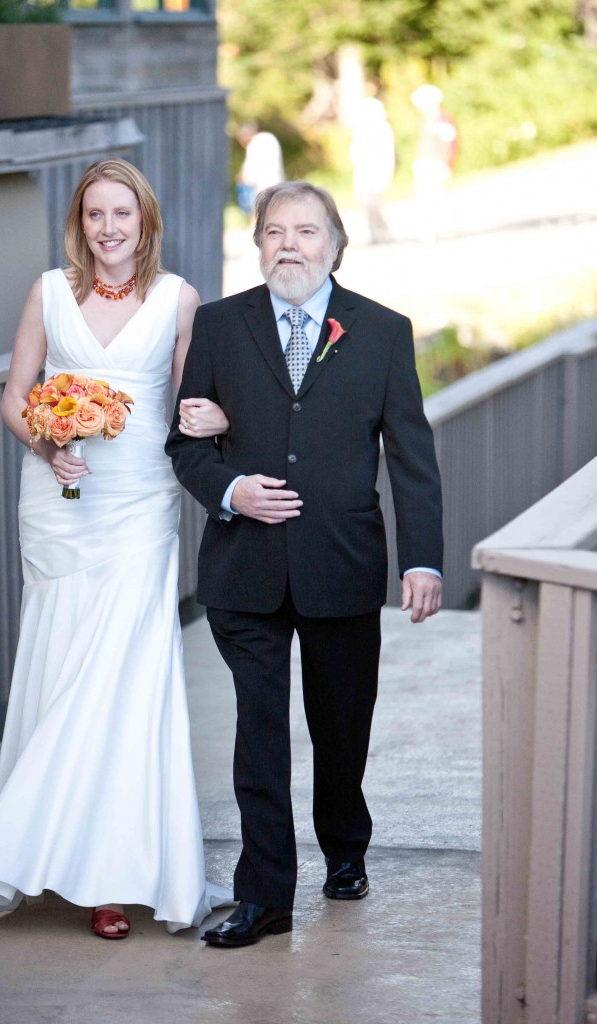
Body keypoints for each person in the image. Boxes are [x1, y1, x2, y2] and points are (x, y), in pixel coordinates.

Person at [0, 158, 234, 938]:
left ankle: (110, 874)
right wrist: (48, 445)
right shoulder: (48, 292)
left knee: (124, 677)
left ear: (145, 220)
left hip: (140, 505)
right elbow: (15, 399)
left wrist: (217, 423)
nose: (108, 229)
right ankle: (44, 846)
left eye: (123, 214)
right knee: (63, 662)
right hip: (57, 504)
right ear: (79, 223)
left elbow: (189, 408)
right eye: (94, 215)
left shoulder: (180, 301)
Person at [166, 180, 443, 949]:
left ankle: (345, 844)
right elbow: (185, 441)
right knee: (259, 734)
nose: (289, 243)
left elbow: (411, 457)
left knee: (341, 725)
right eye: (273, 231)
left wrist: (423, 560)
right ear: (256, 244)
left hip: (343, 562)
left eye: (306, 231)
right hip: (244, 571)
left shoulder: (384, 332)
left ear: (335, 246)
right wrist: (230, 490)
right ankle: (265, 898)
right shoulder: (219, 327)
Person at [411, 83, 459, 241]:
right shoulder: (425, 120)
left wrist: (447, 163)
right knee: (424, 198)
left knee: (437, 197)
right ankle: (427, 231)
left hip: (437, 163)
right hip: (424, 162)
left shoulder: (443, 119)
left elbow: (450, 144)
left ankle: (443, 229)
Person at [349, 93, 395, 244]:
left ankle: (384, 230)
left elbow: (388, 154)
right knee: (365, 204)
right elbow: (355, 152)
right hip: (363, 172)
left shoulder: (383, 129)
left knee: (375, 204)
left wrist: (386, 174)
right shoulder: (361, 130)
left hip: (377, 172)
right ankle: (373, 233)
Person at [235, 121, 285, 217]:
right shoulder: (270, 138)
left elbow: (250, 173)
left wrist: (241, 178)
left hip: (261, 188)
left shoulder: (255, 143)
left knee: (259, 217)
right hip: (277, 184)